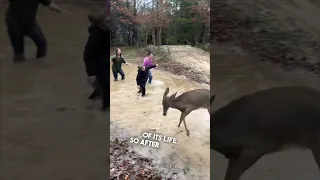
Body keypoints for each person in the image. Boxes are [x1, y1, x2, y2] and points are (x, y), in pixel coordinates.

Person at [4, 0, 70, 63]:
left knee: (42, 44)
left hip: (30, 23)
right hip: (14, 24)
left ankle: (39, 66)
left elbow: (49, 4)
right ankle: (20, 70)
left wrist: (61, 10)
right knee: (19, 55)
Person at [83, 11, 110, 111]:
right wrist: (90, 73)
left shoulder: (106, 31)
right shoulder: (95, 38)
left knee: (103, 83)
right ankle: (106, 106)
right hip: (99, 64)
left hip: (105, 60)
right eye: (106, 21)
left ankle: (98, 93)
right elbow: (87, 56)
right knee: (106, 83)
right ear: (100, 24)